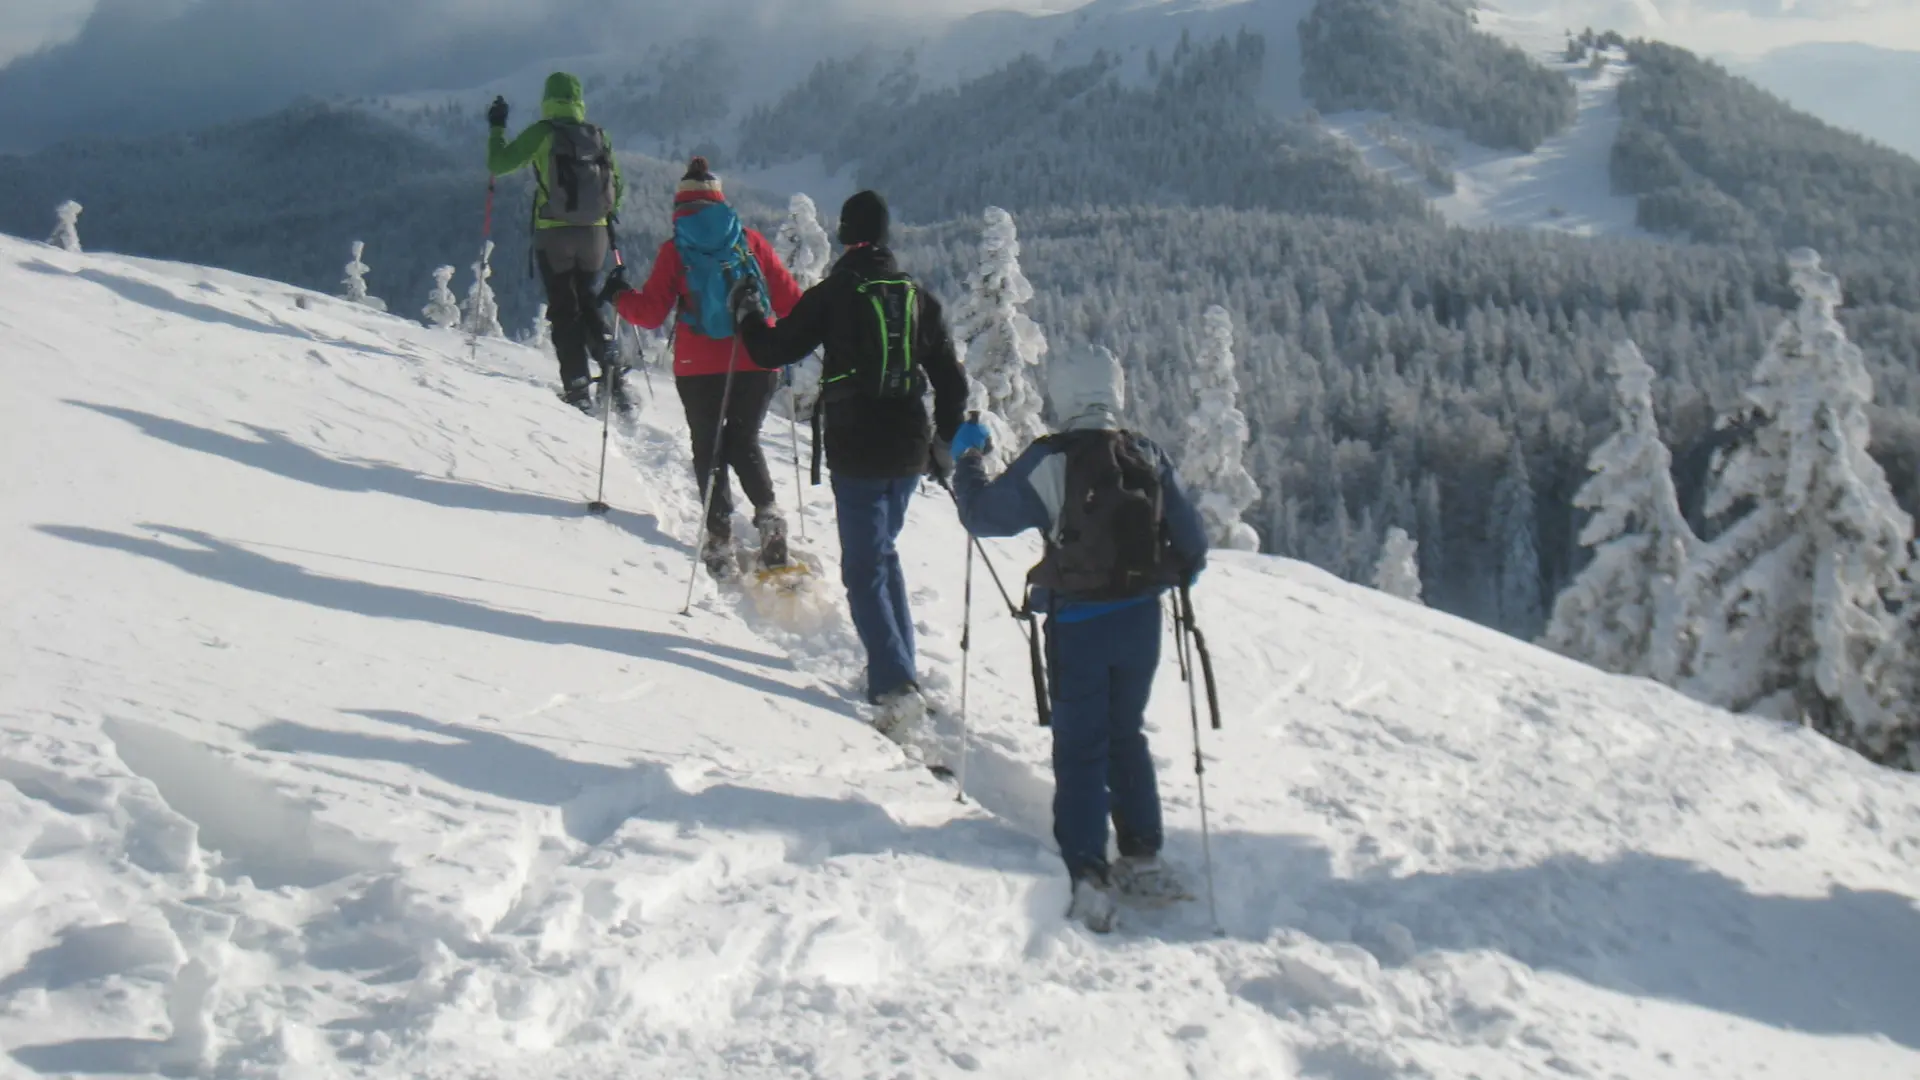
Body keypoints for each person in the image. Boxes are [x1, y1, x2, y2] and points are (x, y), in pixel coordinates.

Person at [948, 344, 1209, 934]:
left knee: (1081, 744)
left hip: (1078, 624)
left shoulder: (1051, 459)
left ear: (1062, 395)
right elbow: (1192, 548)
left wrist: (968, 461)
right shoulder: (1146, 453)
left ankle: (1087, 868)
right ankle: (1143, 853)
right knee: (1125, 733)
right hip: (1141, 622)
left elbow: (984, 517)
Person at [730, 190, 969, 727]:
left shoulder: (835, 294)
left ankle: (893, 684)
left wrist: (746, 311)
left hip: (857, 447)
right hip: (909, 447)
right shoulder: (917, 297)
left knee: (863, 568)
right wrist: (944, 445)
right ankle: (898, 667)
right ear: (886, 237)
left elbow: (770, 350)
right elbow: (952, 383)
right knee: (882, 555)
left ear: (842, 236)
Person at [600, 157, 804, 575]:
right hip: (756, 359)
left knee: (707, 446)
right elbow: (790, 304)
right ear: (720, 201)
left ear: (681, 206)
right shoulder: (750, 242)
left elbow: (652, 313)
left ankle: (719, 538)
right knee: (744, 440)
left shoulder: (676, 249)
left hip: (698, 366)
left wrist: (619, 296)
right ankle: (769, 517)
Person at [486, 73, 627, 414]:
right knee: (589, 300)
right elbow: (616, 187)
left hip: (554, 233)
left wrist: (497, 128)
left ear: (548, 99)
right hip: (594, 235)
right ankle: (611, 367)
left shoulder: (543, 133)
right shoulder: (598, 136)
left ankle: (577, 387)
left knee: (565, 308)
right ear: (579, 99)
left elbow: (498, 164)